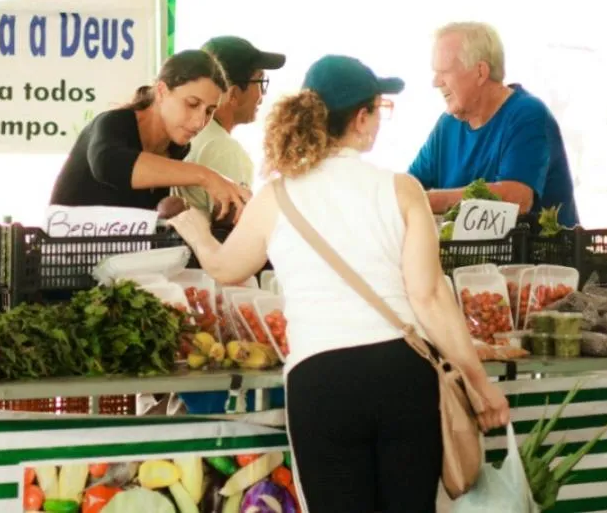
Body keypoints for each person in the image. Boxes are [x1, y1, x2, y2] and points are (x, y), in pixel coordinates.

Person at [167, 55, 510, 512]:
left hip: (321, 381)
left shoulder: (277, 195)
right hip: (402, 375)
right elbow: (429, 298)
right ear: (362, 118)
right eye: (380, 110)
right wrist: (479, 383)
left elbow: (228, 268)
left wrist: (194, 230)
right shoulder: (401, 190)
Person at [409, 22, 579, 226]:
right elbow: (409, 188)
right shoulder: (446, 126)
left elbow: (516, 199)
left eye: (444, 72)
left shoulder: (527, 114)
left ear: (480, 72)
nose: (436, 82)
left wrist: (430, 200)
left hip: (539, 256)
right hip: (477, 257)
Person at [50, 49, 250, 219]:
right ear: (162, 91)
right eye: (192, 104)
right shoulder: (113, 123)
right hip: (65, 259)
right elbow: (109, 165)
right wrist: (206, 176)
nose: (200, 121)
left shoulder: (176, 148)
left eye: (209, 111)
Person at [174, 36, 285, 219]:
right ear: (233, 94)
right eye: (260, 82)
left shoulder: (189, 136)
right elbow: (235, 230)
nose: (263, 95)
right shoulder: (224, 150)